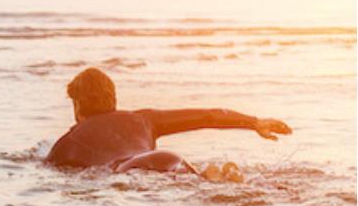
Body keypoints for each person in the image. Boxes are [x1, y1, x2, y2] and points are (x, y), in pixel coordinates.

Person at [46, 68, 291, 174]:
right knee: (199, 181)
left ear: (77, 105)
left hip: (129, 170)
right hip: (170, 159)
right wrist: (254, 122)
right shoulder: (143, 119)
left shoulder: (67, 144)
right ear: (114, 99)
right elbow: (208, 116)